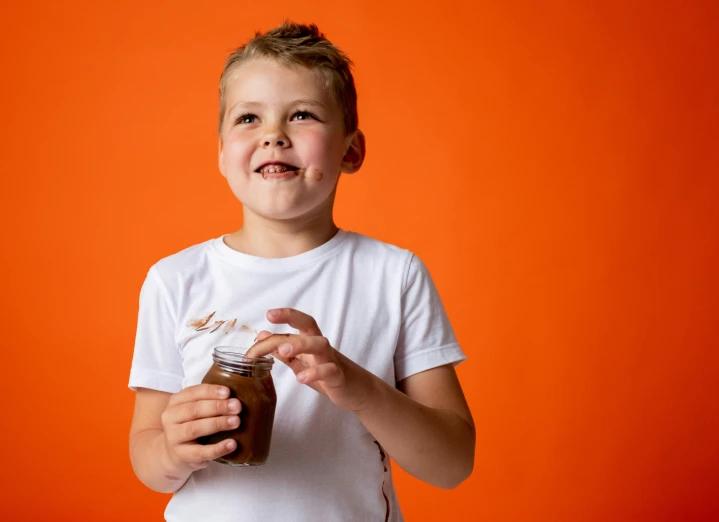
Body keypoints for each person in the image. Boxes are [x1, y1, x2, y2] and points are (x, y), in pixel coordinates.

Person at [128, 20, 475, 522]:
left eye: (303, 115)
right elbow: (146, 456)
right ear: (222, 154)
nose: (273, 135)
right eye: (249, 118)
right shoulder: (174, 279)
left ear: (350, 149)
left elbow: (453, 463)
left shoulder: (393, 276)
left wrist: (360, 389)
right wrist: (172, 450)